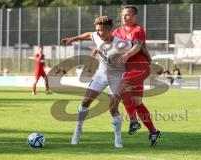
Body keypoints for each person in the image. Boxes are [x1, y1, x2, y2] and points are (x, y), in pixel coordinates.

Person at [61, 16, 134, 148]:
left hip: (116, 77)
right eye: (97, 30)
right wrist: (73, 39)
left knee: (113, 108)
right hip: (101, 74)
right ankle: (78, 130)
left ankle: (117, 138)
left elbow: (136, 46)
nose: (98, 33)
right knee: (85, 102)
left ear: (109, 30)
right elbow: (89, 34)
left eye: (101, 30)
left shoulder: (121, 44)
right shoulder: (97, 36)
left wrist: (133, 57)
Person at [112, 5, 161, 147]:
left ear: (134, 17)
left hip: (140, 67)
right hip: (129, 70)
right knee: (137, 103)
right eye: (123, 15)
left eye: (127, 15)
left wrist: (127, 54)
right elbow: (109, 42)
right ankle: (153, 131)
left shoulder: (138, 30)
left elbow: (138, 46)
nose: (124, 17)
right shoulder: (117, 32)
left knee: (121, 87)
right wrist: (99, 48)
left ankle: (133, 121)